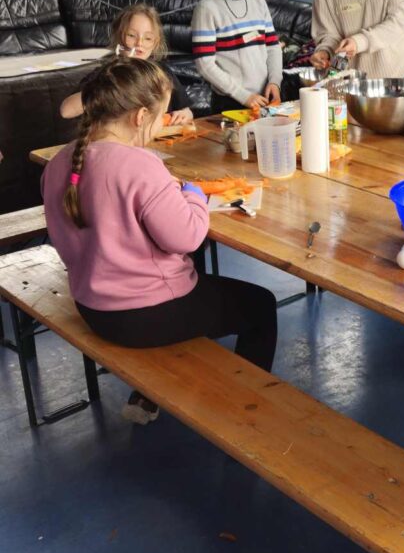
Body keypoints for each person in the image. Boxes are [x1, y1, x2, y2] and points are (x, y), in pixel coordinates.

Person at [41, 58, 278, 425]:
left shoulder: (61, 161)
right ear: (140, 117)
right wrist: (194, 196)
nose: (161, 125)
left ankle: (149, 393)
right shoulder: (139, 165)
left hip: (93, 307)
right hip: (147, 314)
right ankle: (242, 412)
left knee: (204, 288)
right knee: (260, 306)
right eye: (161, 117)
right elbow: (187, 237)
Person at [191, 0, 282, 113]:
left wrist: (275, 82)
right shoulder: (207, 9)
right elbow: (204, 64)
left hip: (265, 96)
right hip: (230, 101)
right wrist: (243, 95)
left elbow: (273, 47)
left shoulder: (259, 3)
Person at [60, 4, 193, 124]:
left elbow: (187, 112)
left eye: (148, 38)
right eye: (131, 36)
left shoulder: (162, 72)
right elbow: (66, 111)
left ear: (155, 43)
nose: (139, 43)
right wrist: (110, 83)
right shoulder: (107, 73)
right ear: (119, 37)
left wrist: (183, 115)